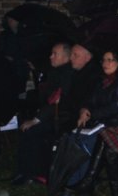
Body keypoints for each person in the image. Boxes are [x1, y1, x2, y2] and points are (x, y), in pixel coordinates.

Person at [71, 51, 118, 196]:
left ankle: (92, 183)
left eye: (110, 60)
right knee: (104, 141)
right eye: (104, 60)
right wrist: (84, 109)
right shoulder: (101, 82)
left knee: (109, 149)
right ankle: (91, 182)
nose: (105, 63)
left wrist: (92, 114)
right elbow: (89, 100)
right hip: (103, 126)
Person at [10, 42, 74, 185]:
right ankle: (24, 171)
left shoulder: (67, 74)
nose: (51, 57)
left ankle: (32, 172)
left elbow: (56, 101)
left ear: (66, 57)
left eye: (55, 54)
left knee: (32, 131)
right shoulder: (54, 71)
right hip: (49, 114)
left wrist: (36, 120)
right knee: (26, 128)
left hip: (61, 117)